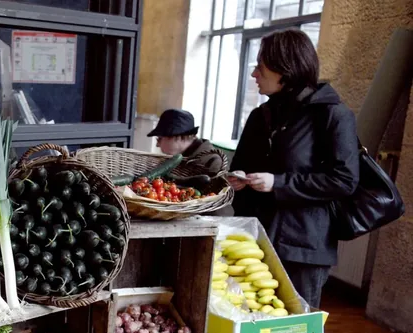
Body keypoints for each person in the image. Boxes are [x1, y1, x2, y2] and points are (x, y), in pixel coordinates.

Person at [227, 29, 359, 309]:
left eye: (260, 67)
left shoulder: (332, 115)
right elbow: (241, 164)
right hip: (255, 237)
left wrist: (279, 183)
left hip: (303, 249)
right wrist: (238, 179)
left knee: (294, 331)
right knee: (247, 319)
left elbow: (344, 180)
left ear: (285, 70)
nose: (254, 74)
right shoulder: (260, 115)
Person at [148, 109, 223, 175]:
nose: (157, 145)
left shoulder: (211, 162)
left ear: (177, 136)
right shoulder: (180, 157)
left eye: (159, 139)